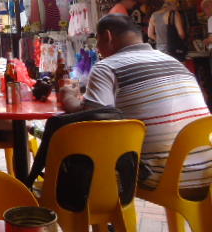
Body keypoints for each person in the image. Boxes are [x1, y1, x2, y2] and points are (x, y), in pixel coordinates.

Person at [60, 14, 212, 193]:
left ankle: (90, 207)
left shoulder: (106, 67)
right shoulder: (175, 63)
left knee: (82, 148)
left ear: (108, 36)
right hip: (206, 173)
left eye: (98, 41)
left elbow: (90, 118)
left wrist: (67, 95)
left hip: (160, 177)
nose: (98, 48)